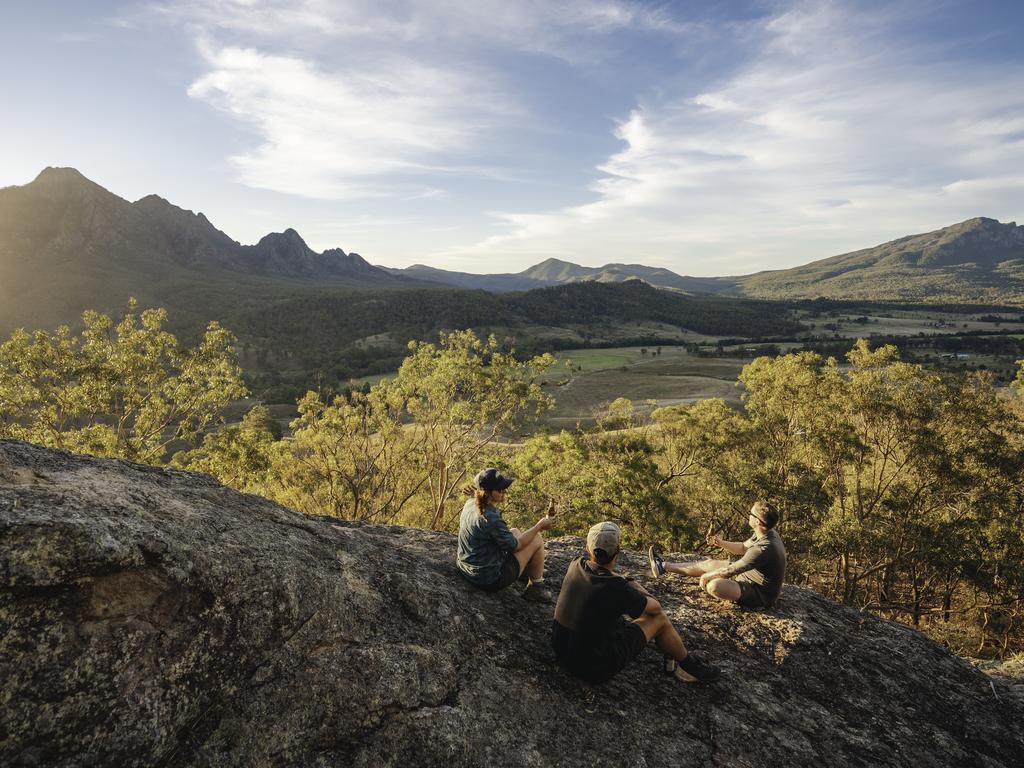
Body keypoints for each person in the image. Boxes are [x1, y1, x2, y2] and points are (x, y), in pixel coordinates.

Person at [552, 521, 720, 684]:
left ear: (588, 548)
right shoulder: (618, 587)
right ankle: (688, 665)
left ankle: (672, 656)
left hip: (561, 652)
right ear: (617, 551)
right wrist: (634, 585)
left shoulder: (576, 564)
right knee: (660, 620)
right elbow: (655, 609)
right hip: (594, 668)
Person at [648, 501, 786, 609]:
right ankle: (664, 566)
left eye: (751, 514)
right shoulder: (767, 532)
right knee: (709, 564)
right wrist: (719, 542)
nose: (748, 515)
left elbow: (731, 570)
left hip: (759, 593)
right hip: (747, 575)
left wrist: (707, 576)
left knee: (713, 586)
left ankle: (739, 596)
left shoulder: (764, 548)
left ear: (757, 521)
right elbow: (743, 547)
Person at [456, 467, 555, 603]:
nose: (504, 492)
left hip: (466, 568)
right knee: (536, 539)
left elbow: (479, 504)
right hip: (488, 579)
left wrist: (476, 494)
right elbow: (516, 546)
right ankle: (536, 588)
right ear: (488, 493)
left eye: (504, 488)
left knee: (514, 531)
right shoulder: (491, 518)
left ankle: (526, 570)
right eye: (500, 489)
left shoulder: (470, 503)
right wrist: (539, 526)